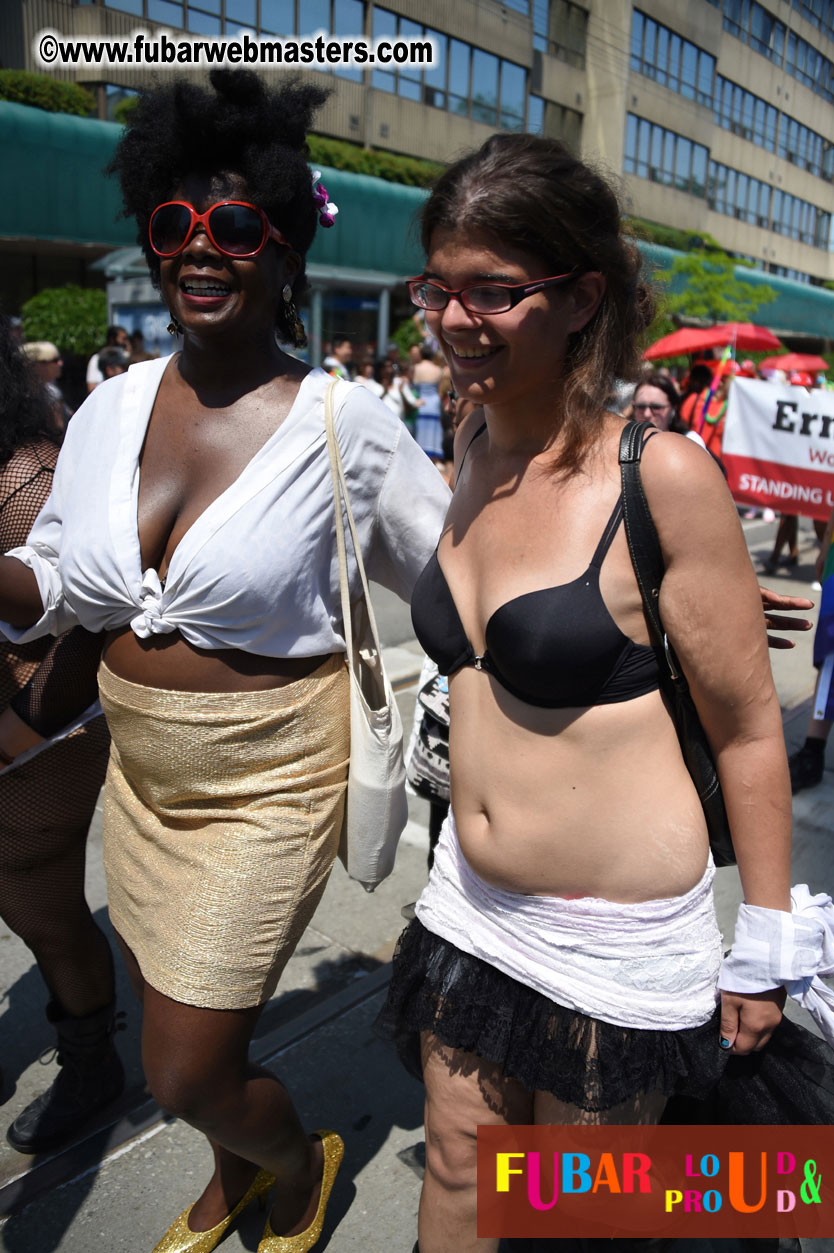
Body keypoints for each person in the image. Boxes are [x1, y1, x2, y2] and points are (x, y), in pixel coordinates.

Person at [0, 70, 450, 1253]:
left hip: (269, 780)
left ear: (287, 242)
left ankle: (298, 1164)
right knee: (196, 1016)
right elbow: (54, 583)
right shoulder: (109, 407)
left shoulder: (343, 422)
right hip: (141, 785)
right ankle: (236, 1167)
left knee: (187, 1062)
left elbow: (454, 576)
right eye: (175, 223)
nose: (201, 248)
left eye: (237, 223)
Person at [376, 132, 798, 1253]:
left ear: (580, 300)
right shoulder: (469, 446)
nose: (457, 320)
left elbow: (753, 728)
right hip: (469, 903)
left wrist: (763, 936)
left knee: (580, 1218)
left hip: (615, 944)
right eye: (442, 288)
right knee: (460, 1170)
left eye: (497, 292)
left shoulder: (657, 472)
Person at [0, 312, 118, 1154]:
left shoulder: (29, 475)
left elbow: (83, 621)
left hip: (32, 734)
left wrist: (16, 733)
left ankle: (92, 1063)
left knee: (40, 906)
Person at [632, 372, 706, 447]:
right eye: (640, 406)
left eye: (656, 407)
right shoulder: (624, 444)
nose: (646, 414)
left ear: (673, 408)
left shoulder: (690, 441)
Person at [20, 341, 70, 433]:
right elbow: (58, 428)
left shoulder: (50, 387)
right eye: (55, 360)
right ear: (35, 365)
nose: (60, 363)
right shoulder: (49, 393)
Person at [411, 345, 445, 463]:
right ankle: (434, 458)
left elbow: (413, 384)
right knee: (434, 429)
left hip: (422, 400)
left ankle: (419, 456)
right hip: (434, 402)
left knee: (420, 428)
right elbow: (439, 389)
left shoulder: (416, 368)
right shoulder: (438, 370)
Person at [86, 325, 130, 392]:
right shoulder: (97, 358)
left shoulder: (126, 356)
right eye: (123, 339)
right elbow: (91, 388)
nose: (126, 342)